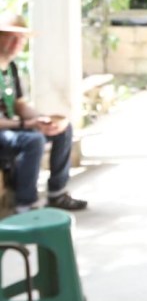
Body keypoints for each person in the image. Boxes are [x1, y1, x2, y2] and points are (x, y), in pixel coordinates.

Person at [0, 13, 87, 212]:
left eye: (20, 39)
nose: (16, 44)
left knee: (62, 130)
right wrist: (26, 125)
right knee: (33, 140)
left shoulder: (10, 69)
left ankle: (57, 193)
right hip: (4, 132)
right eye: (11, 37)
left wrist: (42, 120)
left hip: (11, 128)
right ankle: (25, 203)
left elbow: (20, 106)